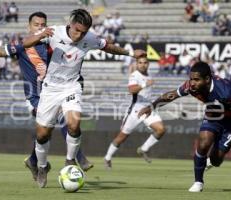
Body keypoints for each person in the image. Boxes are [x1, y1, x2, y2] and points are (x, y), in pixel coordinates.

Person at [23, 8, 146, 188]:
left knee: (74, 123)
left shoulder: (90, 38)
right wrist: (40, 36)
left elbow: (108, 47)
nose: (79, 35)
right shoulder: (53, 32)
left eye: (84, 32)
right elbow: (26, 43)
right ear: (71, 25)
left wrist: (130, 54)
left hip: (71, 86)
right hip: (50, 89)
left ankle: (70, 161)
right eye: (77, 30)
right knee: (42, 135)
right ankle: (42, 167)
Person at [0, 11, 93, 184]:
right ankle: (77, 157)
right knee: (54, 125)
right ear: (29, 27)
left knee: (56, 126)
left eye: (43, 25)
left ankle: (35, 161)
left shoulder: (53, 43)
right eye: (36, 25)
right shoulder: (24, 45)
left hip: (55, 92)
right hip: (34, 96)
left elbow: (70, 61)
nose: (40, 27)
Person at [138, 61, 231, 192]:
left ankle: (209, 162)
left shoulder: (226, 92)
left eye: (196, 79)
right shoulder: (191, 87)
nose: (192, 83)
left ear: (207, 79)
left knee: (216, 160)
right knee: (203, 142)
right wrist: (152, 106)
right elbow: (171, 95)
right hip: (214, 113)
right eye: (191, 79)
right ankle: (198, 182)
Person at [104, 56, 165, 169]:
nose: (143, 65)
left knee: (161, 130)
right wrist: (145, 84)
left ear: (148, 64)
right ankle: (107, 157)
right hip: (135, 111)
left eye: (145, 62)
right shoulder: (135, 75)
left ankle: (143, 149)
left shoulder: (149, 76)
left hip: (148, 109)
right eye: (140, 63)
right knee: (121, 137)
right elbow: (131, 90)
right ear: (137, 64)